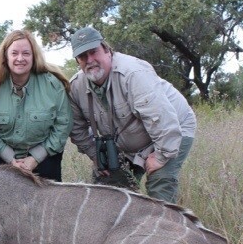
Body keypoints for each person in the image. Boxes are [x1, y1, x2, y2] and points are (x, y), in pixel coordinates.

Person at [68, 26, 196, 203]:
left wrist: (160, 157)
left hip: (172, 130)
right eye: (83, 56)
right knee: (109, 193)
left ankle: (165, 228)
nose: (90, 60)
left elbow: (163, 120)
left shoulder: (133, 73)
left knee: (160, 186)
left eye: (94, 52)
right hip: (126, 143)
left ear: (106, 50)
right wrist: (96, 156)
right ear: (77, 61)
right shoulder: (75, 86)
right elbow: (76, 129)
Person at [0, 30, 72, 181]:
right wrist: (11, 159)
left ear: (33, 56)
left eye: (26, 53)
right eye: (14, 53)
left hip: (44, 158)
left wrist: (35, 158)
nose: (20, 58)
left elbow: (64, 125)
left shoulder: (53, 85)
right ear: (5, 56)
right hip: (0, 158)